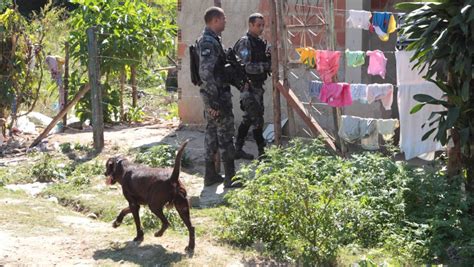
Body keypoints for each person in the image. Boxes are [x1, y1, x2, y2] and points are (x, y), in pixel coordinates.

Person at [197, 7, 240, 188]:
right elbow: (206, 73)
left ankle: (211, 175)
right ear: (215, 20)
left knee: (212, 134)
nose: (225, 22)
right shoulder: (208, 41)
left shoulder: (213, 40)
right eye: (223, 19)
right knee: (225, 135)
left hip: (214, 95)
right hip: (216, 96)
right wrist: (213, 101)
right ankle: (231, 178)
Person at [233, 13, 271, 160]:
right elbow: (246, 67)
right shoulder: (245, 42)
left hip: (257, 87)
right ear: (250, 25)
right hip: (248, 88)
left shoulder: (259, 43)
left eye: (262, 25)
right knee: (256, 119)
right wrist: (265, 66)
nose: (261, 28)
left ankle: (238, 148)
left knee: (249, 119)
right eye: (258, 25)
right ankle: (262, 152)